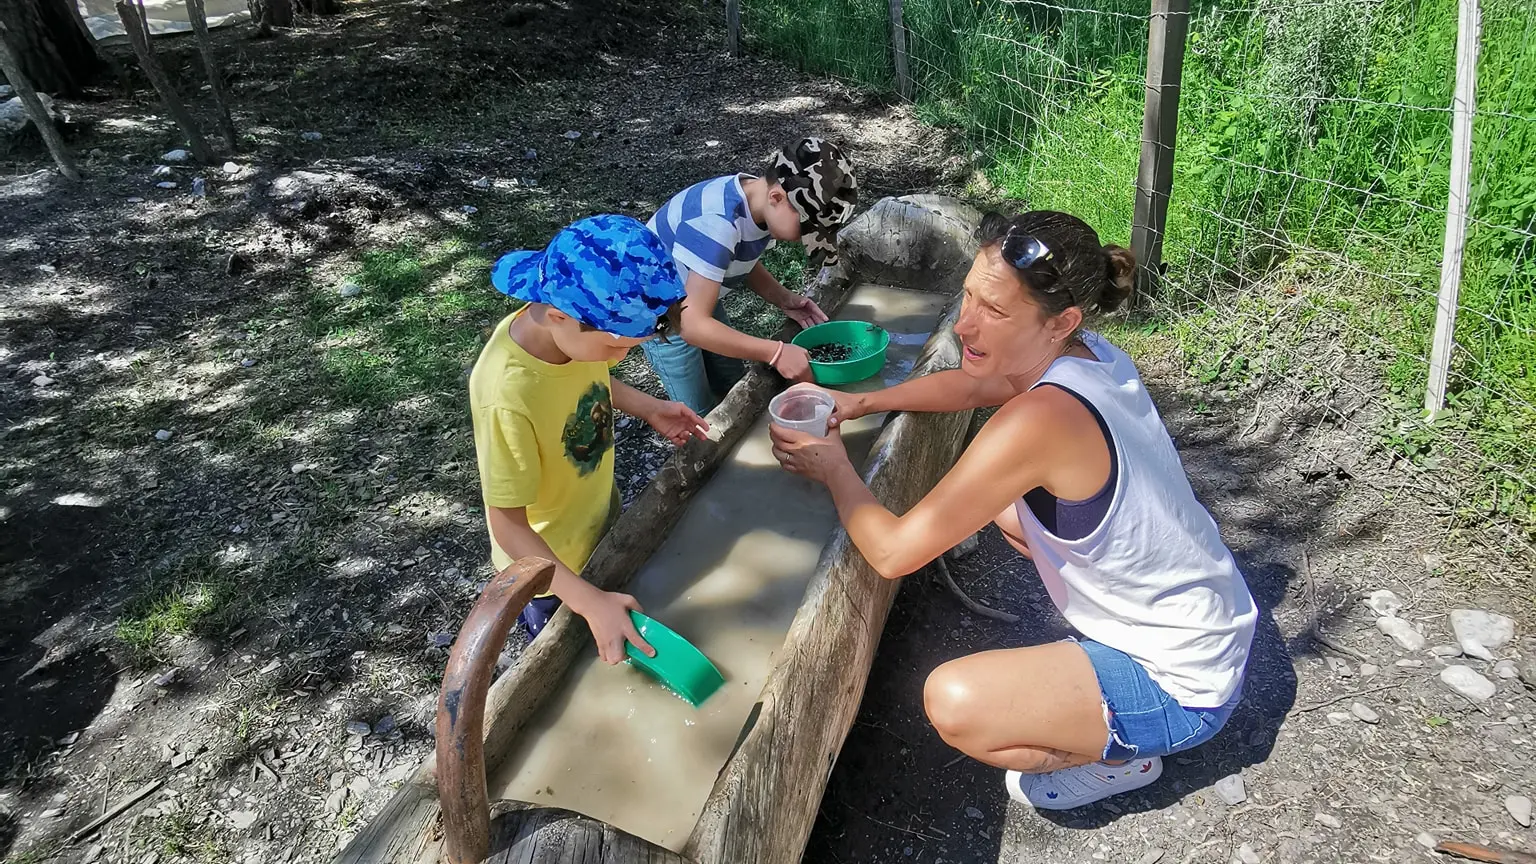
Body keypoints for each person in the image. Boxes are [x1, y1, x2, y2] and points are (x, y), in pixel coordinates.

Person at [768, 210, 1257, 809]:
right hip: (1211, 617)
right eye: (967, 296)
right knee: (1003, 510)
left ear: (1063, 320)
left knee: (954, 701)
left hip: (1184, 687)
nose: (965, 326)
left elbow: (893, 553)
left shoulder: (1043, 417)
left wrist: (833, 466)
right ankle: (1090, 681)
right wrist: (863, 400)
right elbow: (972, 388)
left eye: (994, 311)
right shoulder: (1088, 354)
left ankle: (1120, 757)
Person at [471, 214, 712, 663]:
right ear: (559, 316)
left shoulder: (565, 332)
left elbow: (587, 377)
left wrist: (649, 406)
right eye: (616, 346)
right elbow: (507, 523)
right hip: (550, 570)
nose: (621, 357)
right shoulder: (506, 394)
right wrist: (584, 599)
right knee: (581, 655)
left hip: (597, 522)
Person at [643, 137, 859, 414]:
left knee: (732, 382)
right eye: (807, 229)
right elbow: (692, 326)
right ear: (777, 197)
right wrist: (776, 352)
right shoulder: (717, 224)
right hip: (665, 318)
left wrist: (783, 298)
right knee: (699, 413)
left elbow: (738, 259)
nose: (804, 239)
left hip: (697, 295)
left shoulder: (756, 204)